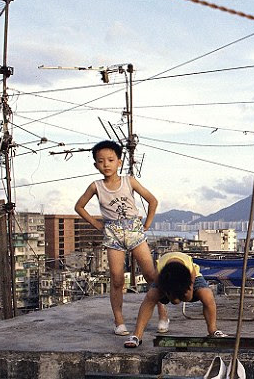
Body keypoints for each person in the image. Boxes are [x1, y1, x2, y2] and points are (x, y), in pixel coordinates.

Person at [74, 140, 168, 336]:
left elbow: (152, 200)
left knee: (151, 274)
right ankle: (118, 321)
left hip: (134, 231)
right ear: (95, 165)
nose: (106, 164)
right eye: (101, 161)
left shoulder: (129, 181)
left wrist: (147, 224)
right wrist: (97, 224)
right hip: (112, 234)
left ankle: (162, 312)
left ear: (119, 161)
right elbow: (79, 206)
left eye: (110, 159)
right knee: (117, 279)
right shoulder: (96, 186)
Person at [123, 251, 227, 348]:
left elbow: (189, 297)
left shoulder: (190, 272)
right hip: (166, 278)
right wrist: (170, 296)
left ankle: (213, 330)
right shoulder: (159, 274)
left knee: (207, 295)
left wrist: (183, 294)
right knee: (150, 297)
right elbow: (166, 297)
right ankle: (137, 335)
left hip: (188, 278)